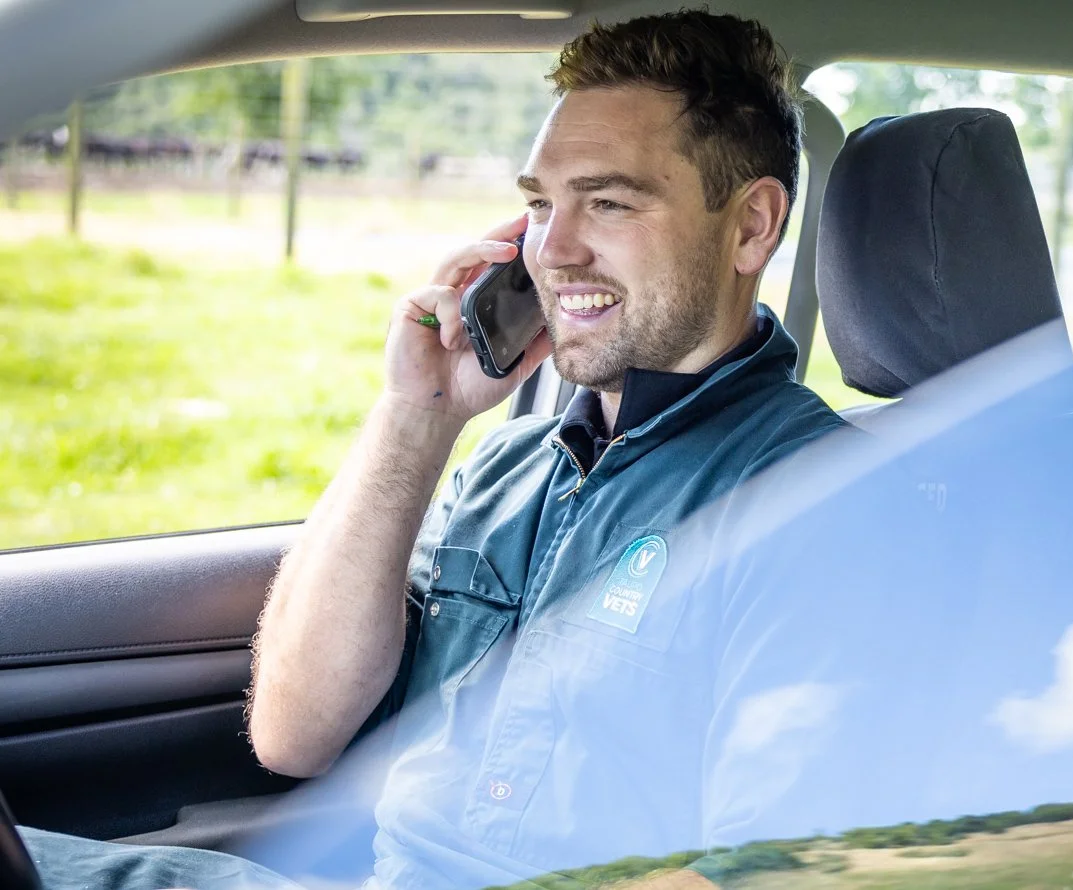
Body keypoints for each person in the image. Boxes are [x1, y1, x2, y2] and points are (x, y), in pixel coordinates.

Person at [21, 10, 938, 889]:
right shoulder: (509, 464)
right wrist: (414, 420)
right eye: (539, 204)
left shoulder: (826, 501)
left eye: (608, 203)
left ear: (750, 226)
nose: (553, 250)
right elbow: (293, 734)